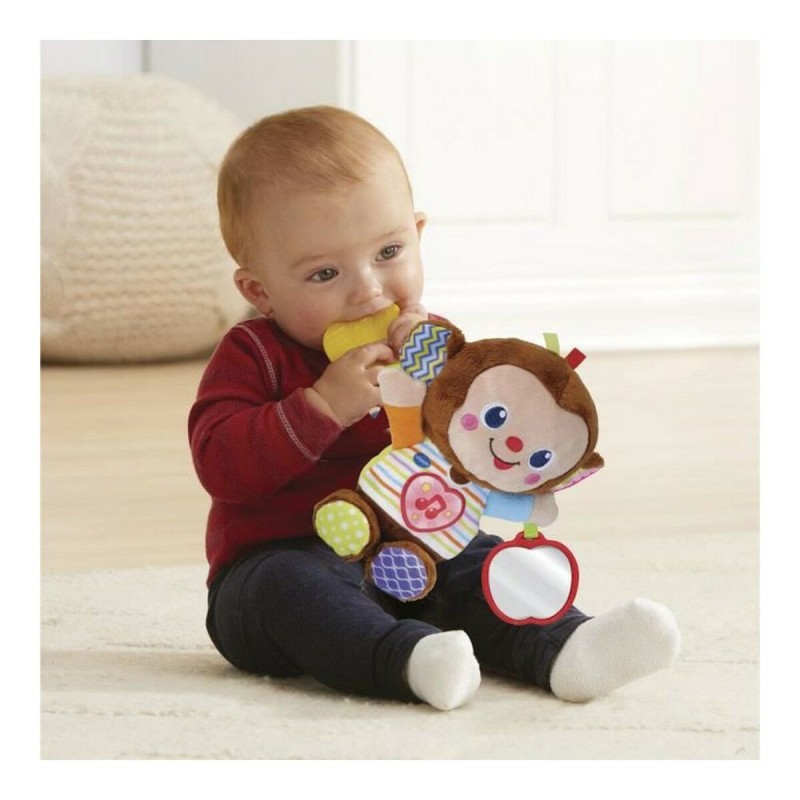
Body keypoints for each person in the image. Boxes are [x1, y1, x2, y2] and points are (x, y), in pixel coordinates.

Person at [189, 105, 679, 711]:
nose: (369, 290)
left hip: (421, 541)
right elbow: (221, 465)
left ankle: (568, 646)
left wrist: (457, 383)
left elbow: (480, 439)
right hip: (285, 557)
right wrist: (321, 405)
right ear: (259, 290)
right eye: (324, 273)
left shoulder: (432, 345)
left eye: (389, 251)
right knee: (288, 590)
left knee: (485, 563)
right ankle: (408, 661)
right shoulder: (253, 354)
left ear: (418, 235)